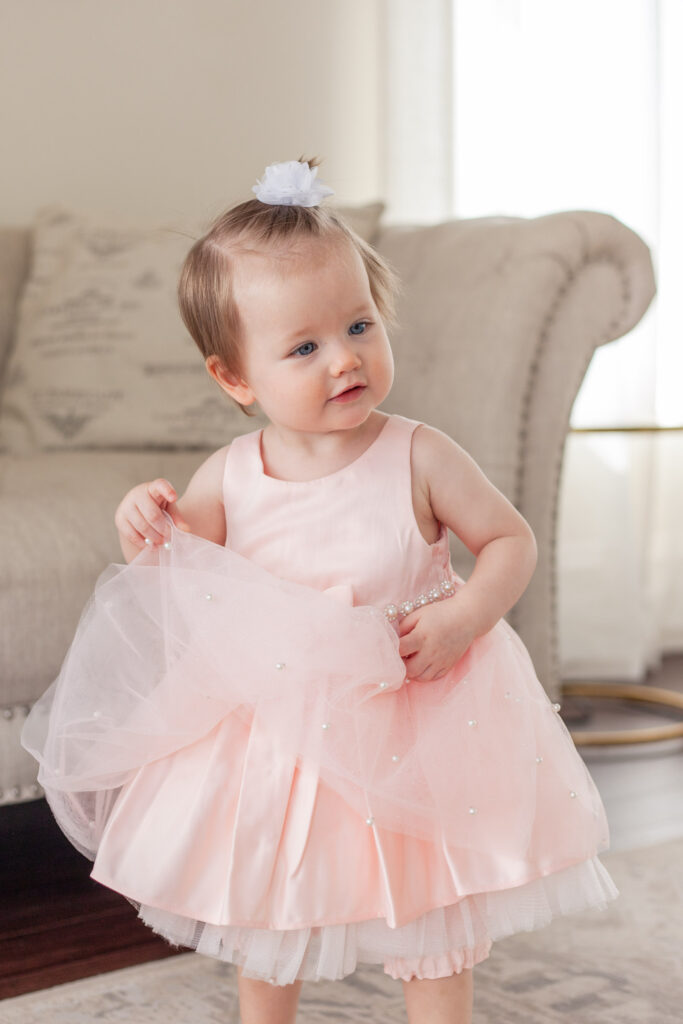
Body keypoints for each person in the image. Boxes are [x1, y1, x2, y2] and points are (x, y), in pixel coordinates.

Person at [22, 158, 618, 1024]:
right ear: (235, 378)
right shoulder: (230, 476)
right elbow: (174, 577)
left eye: (359, 326)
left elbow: (509, 542)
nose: (343, 359)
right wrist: (140, 523)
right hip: (279, 737)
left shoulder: (418, 453)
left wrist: (467, 613)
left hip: (416, 714)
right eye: (303, 347)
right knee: (269, 900)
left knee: (431, 905)